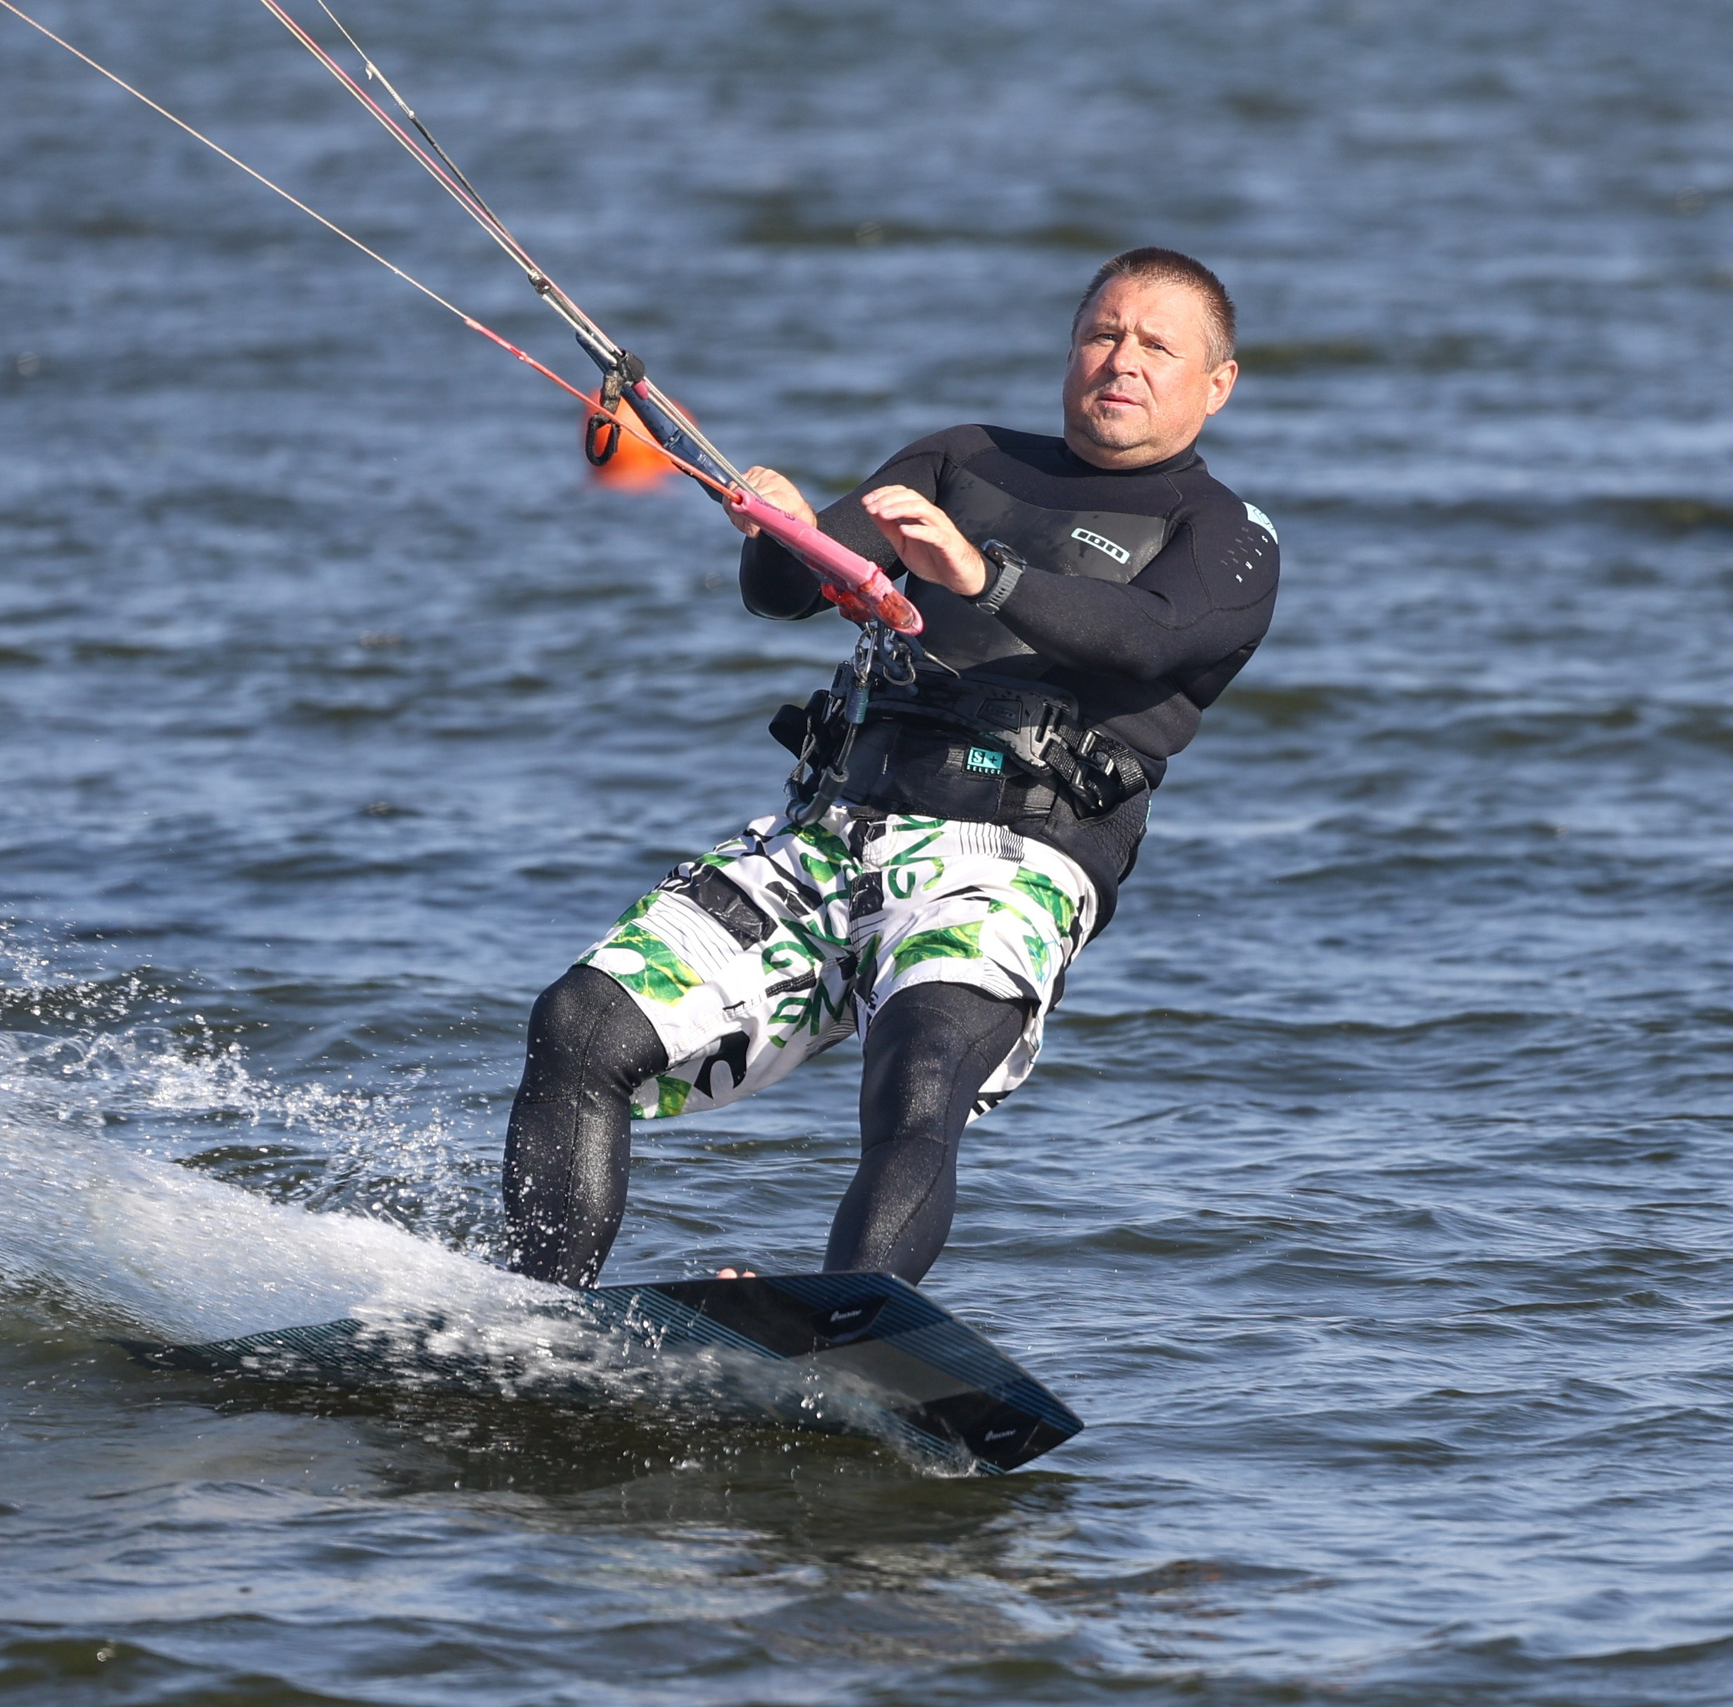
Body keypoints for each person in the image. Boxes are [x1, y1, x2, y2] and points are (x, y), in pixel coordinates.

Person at [502, 248, 1279, 1288]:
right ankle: (536, 1321)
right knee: (579, 1027)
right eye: (1102, 334)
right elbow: (790, 588)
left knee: (918, 1075)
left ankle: (844, 1335)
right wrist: (772, 530)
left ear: (1214, 383)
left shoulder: (1223, 535)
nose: (1120, 360)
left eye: (1154, 344)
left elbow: (1146, 637)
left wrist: (980, 572)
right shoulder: (963, 458)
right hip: (829, 837)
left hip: (1009, 863)